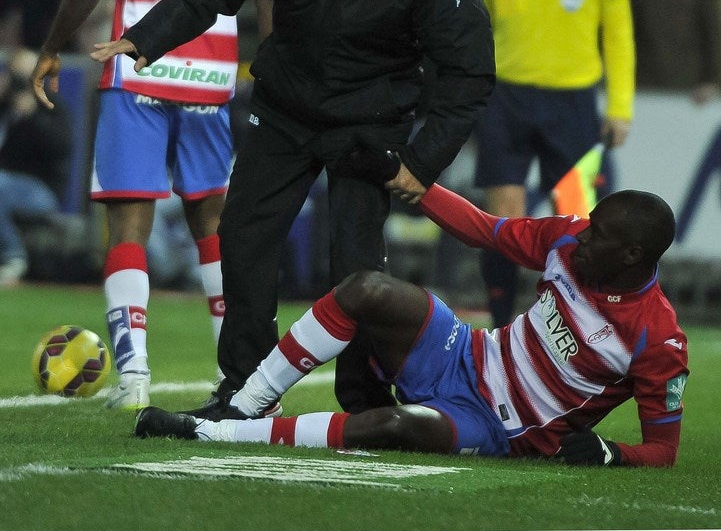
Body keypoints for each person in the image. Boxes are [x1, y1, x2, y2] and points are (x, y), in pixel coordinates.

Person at [89, 0, 496, 417]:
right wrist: (144, 37)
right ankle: (245, 389)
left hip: (369, 124)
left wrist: (423, 159)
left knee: (356, 269)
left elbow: (469, 73)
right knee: (243, 237)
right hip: (284, 111)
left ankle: (363, 400)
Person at [135, 182, 689, 468]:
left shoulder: (656, 337)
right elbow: (487, 230)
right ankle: (247, 401)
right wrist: (418, 186)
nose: (583, 236)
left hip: (497, 426)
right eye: (589, 225)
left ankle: (213, 433)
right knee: (366, 288)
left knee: (394, 427)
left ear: (634, 253)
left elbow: (664, 451)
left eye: (600, 234)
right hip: (468, 354)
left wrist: (613, 453)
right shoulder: (570, 239)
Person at [31, 0, 271, 410]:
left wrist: (53, 44)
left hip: (136, 72)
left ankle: (134, 379)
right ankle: (238, 375)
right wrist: (268, 65)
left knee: (128, 226)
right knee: (213, 226)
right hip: (212, 78)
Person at [468, 0, 635, 328]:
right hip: (505, 99)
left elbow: (619, 35)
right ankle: (501, 326)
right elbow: (474, 33)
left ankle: (569, 322)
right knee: (506, 223)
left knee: (579, 225)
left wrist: (620, 106)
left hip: (573, 102)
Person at [0, 47, 72, 286]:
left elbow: (62, 148)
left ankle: (13, 256)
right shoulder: (5, 106)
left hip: (43, 189)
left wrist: (33, 117)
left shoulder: (51, 106)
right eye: (15, 76)